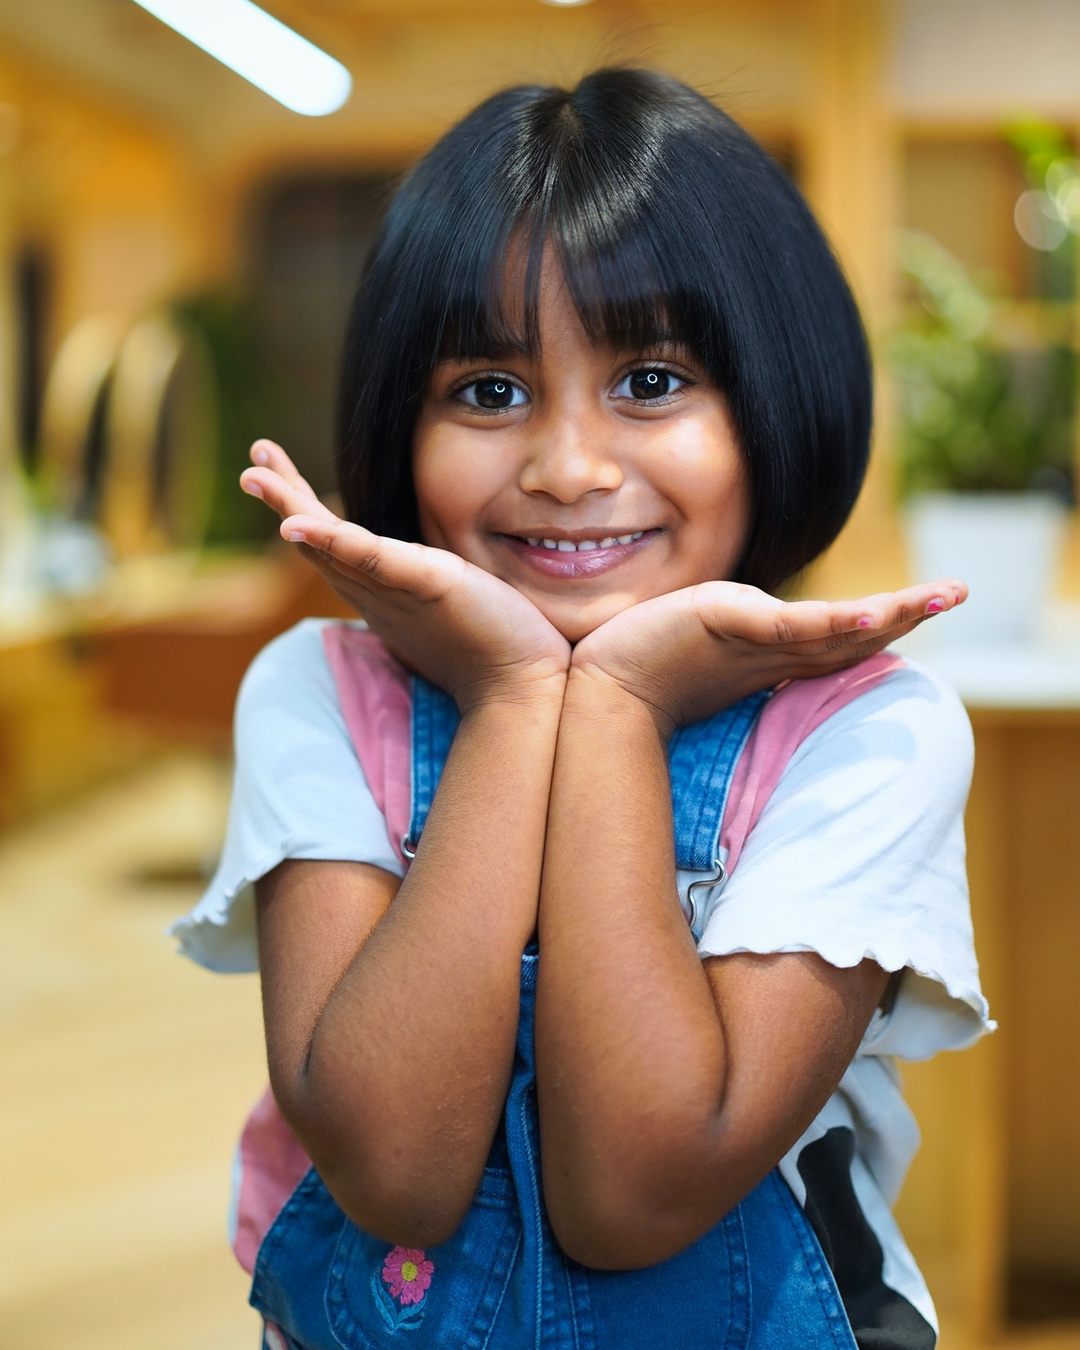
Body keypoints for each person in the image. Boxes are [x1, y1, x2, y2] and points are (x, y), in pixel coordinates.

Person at [172, 68, 990, 1350]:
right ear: (405, 418)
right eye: (489, 390)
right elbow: (395, 1173)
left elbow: (637, 1193)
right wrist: (509, 701)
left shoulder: (871, 733)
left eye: (652, 380)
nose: (569, 469)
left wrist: (613, 706)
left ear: (774, 396)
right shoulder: (322, 692)